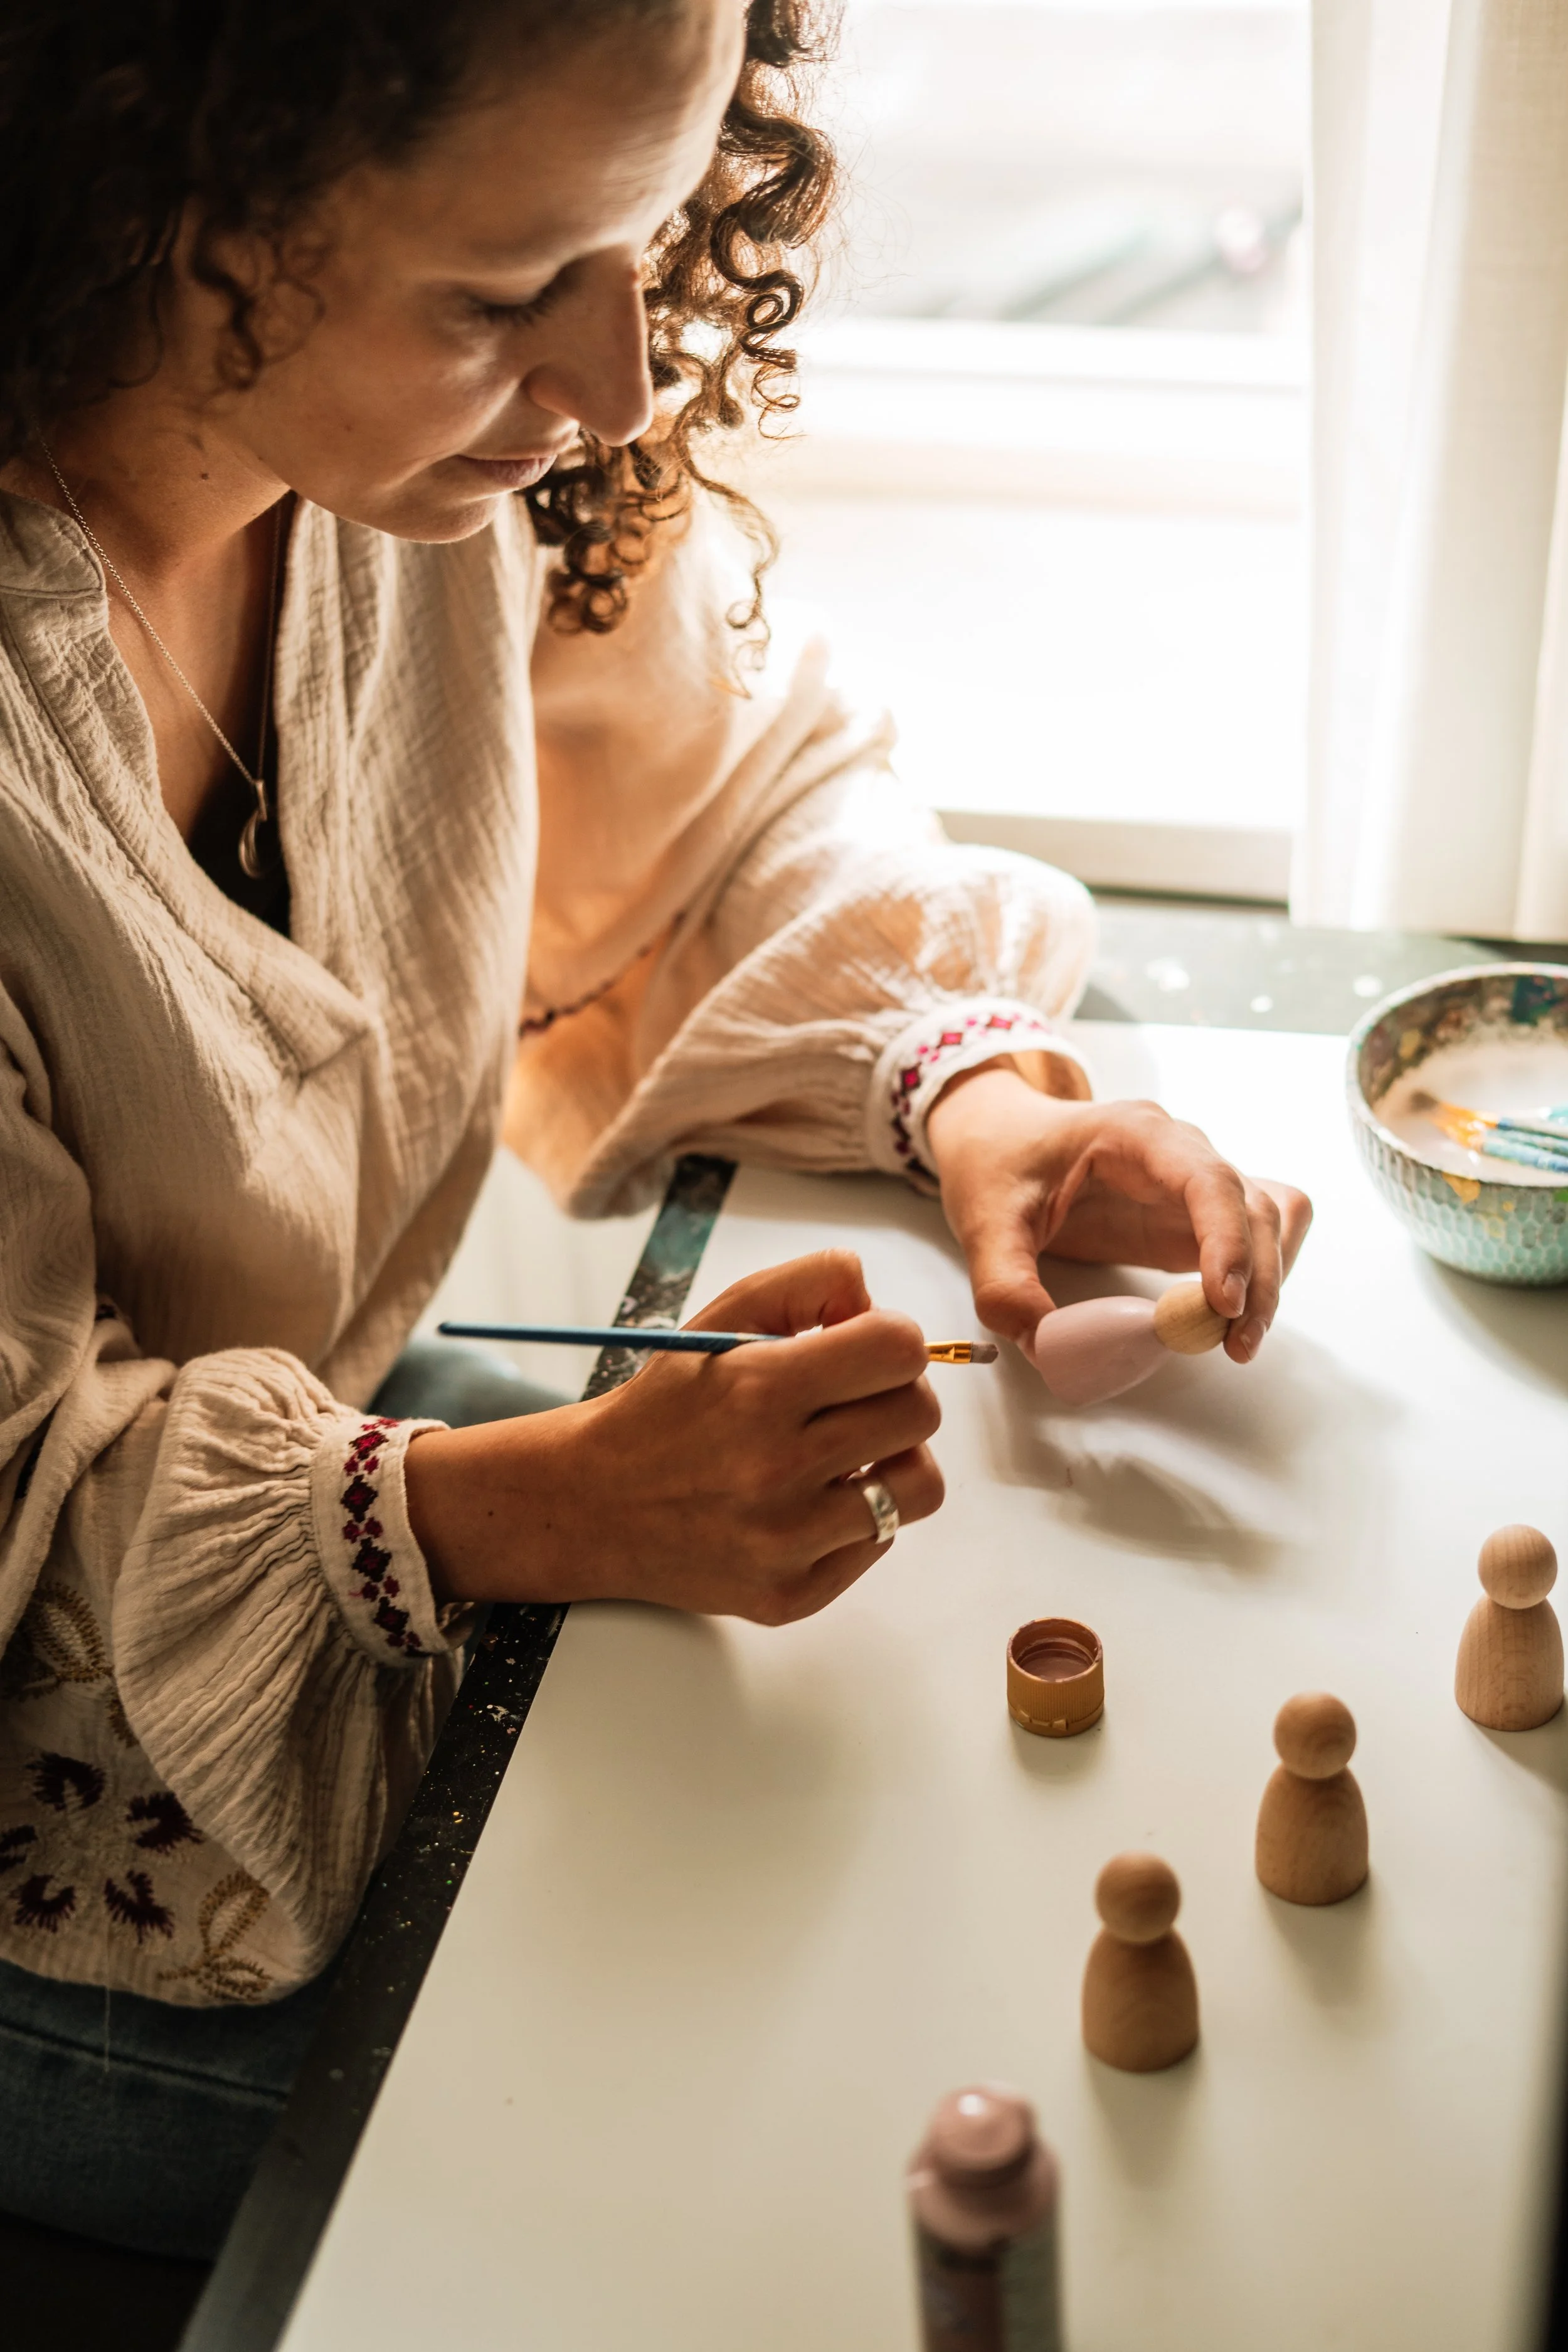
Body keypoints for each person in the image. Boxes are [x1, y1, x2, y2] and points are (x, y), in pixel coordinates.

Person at [0, 0, 1310, 2262]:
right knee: (719, 2169)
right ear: (150, 216)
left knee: (897, 1788)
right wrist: (511, 1510)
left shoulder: (412, 482)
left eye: (644, 235)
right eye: (508, 293)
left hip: (299, 1454)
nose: (619, 378)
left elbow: (723, 806)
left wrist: (970, 1083)